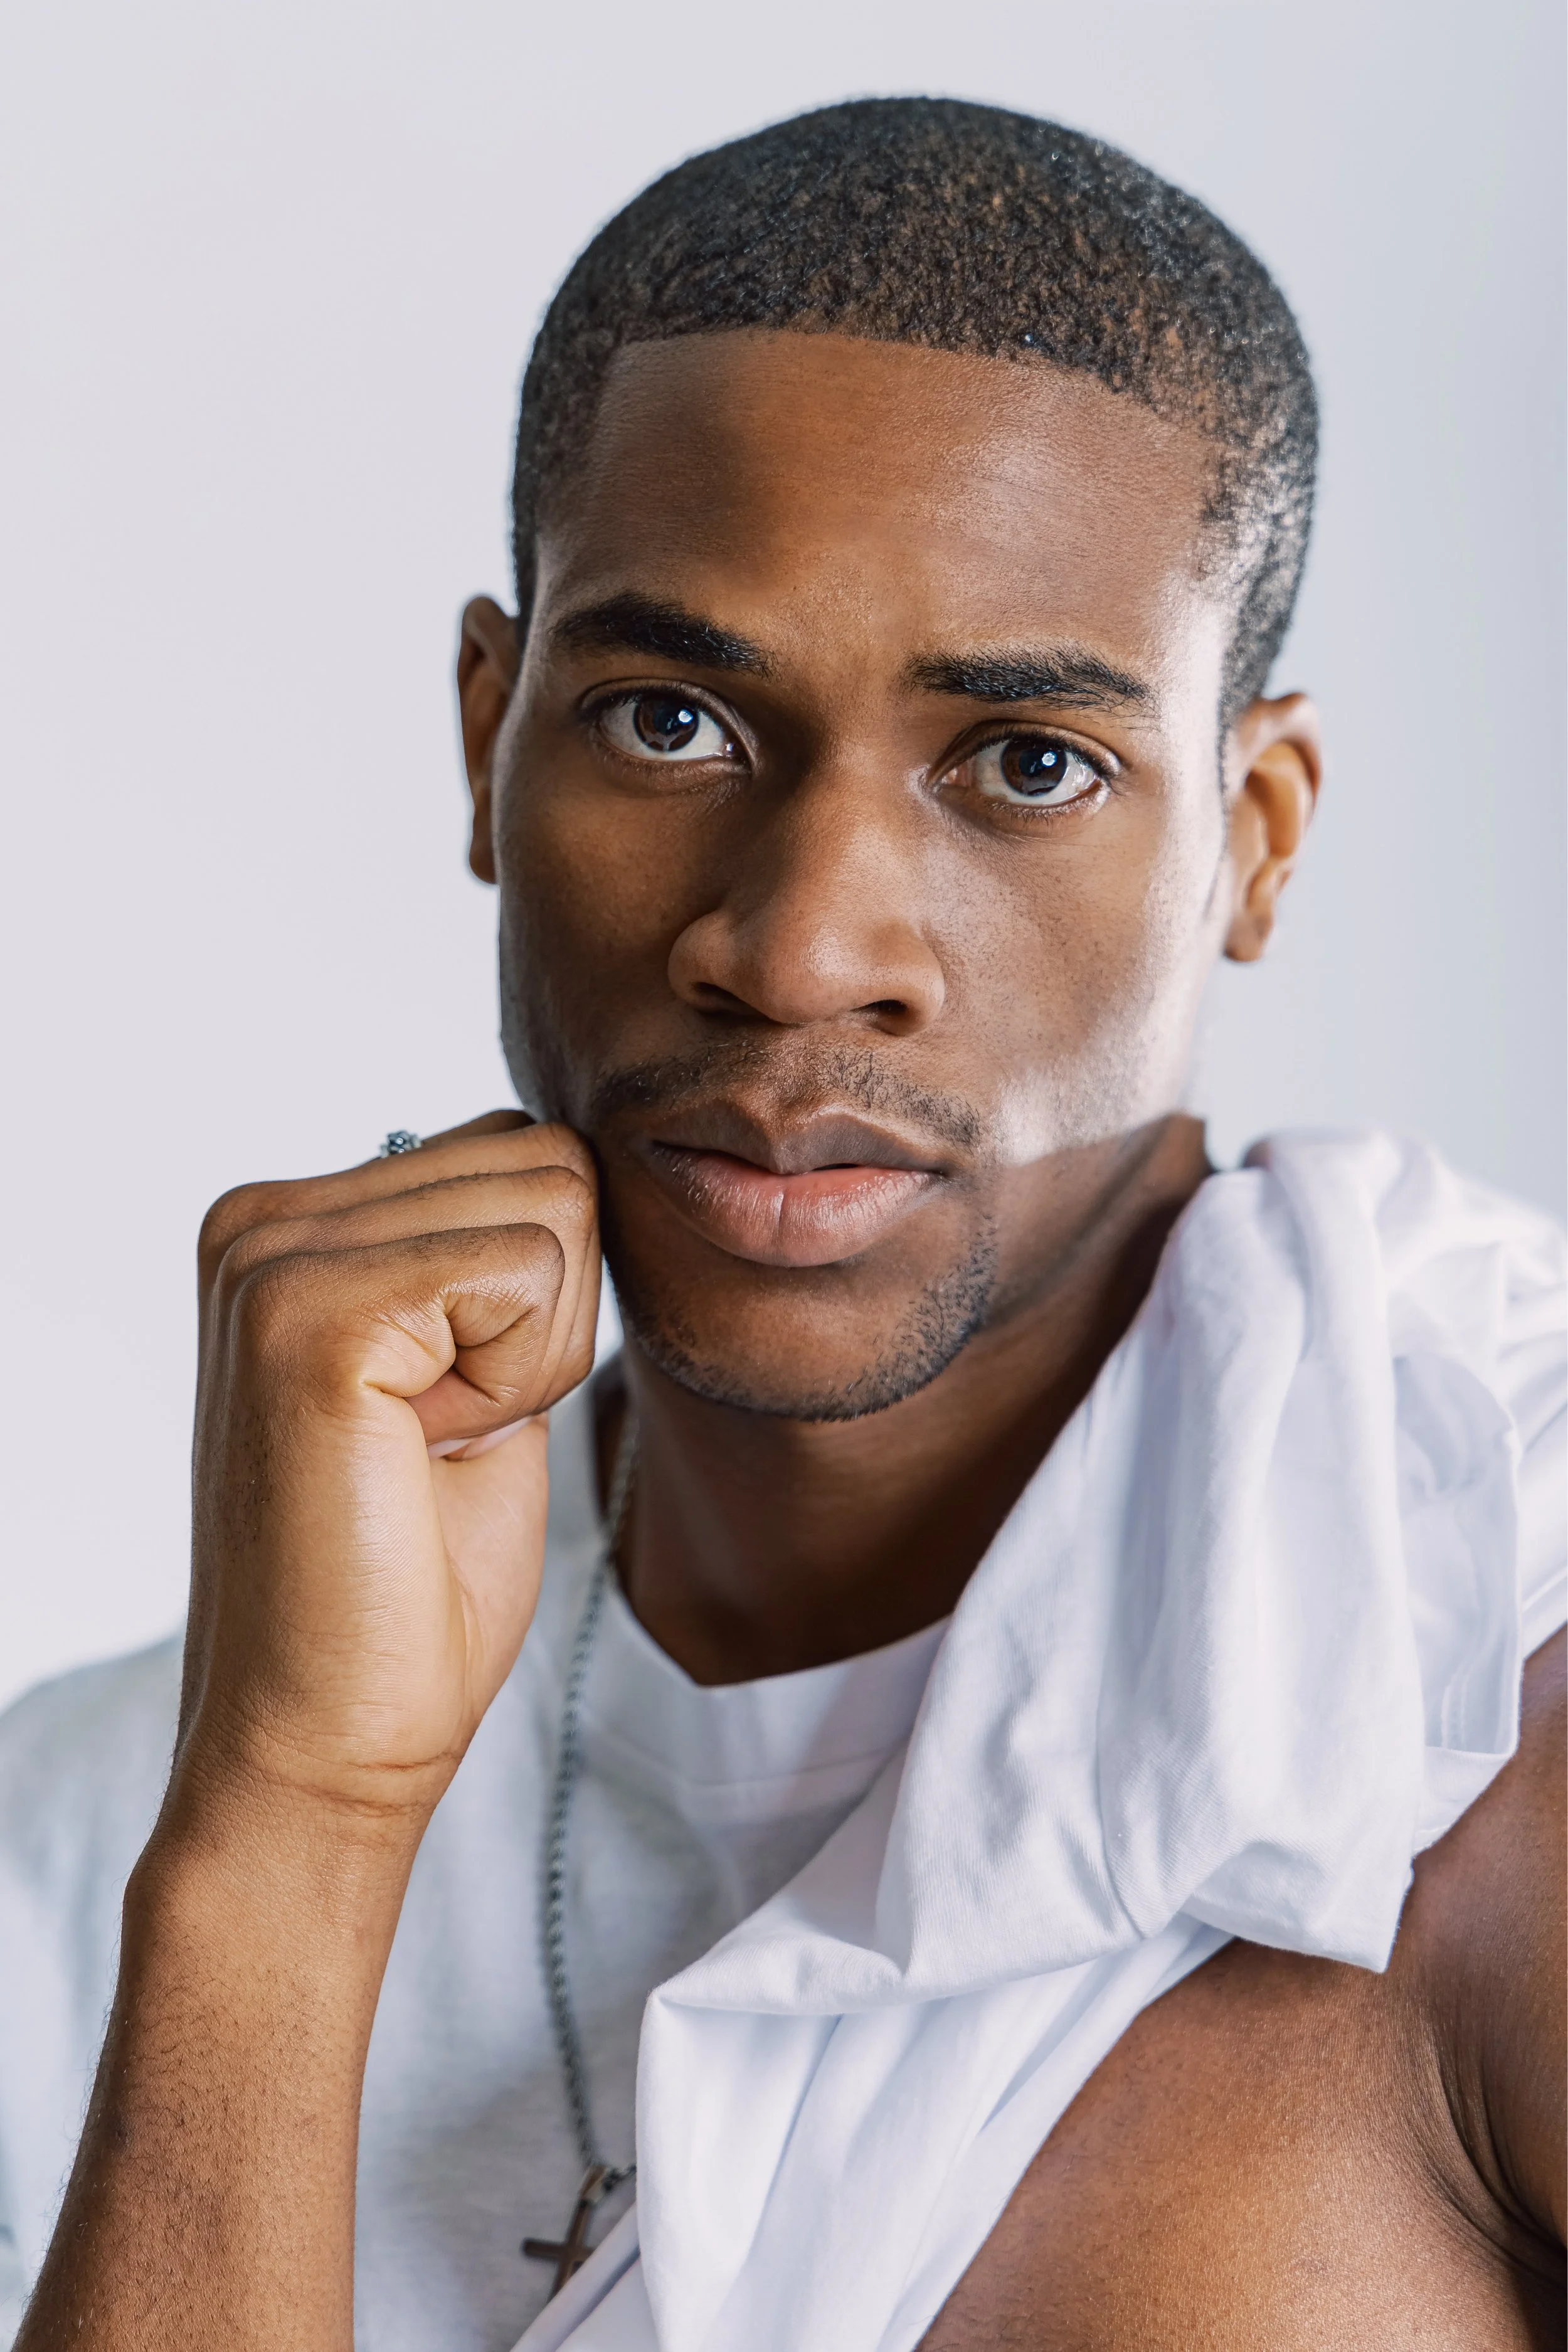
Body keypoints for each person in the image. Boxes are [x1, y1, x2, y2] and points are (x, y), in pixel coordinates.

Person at [2, 96, 1562, 2352]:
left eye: (1024, 761)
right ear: (483, 738)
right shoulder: (111, 1829)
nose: (804, 942)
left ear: (1251, 838)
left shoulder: (1480, 1684)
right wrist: (291, 1841)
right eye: (668, 717)